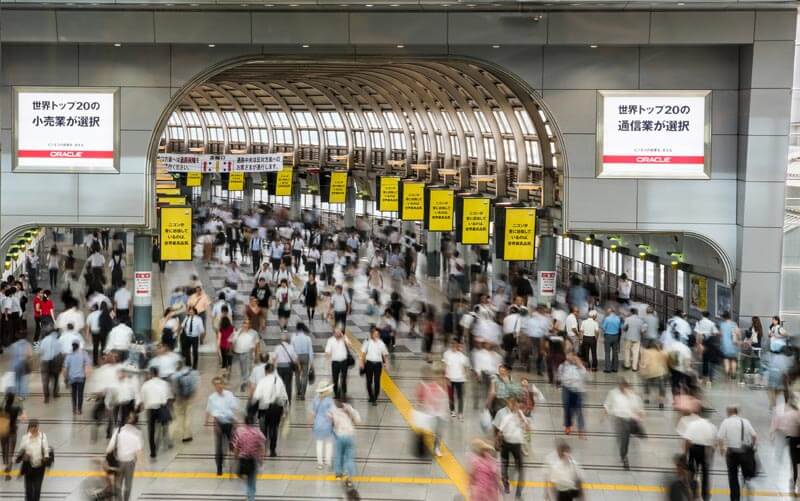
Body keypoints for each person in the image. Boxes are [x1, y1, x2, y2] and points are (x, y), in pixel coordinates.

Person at [717, 405, 758, 501]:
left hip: (732, 454)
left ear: (729, 412)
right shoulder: (745, 421)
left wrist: (722, 449)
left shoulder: (726, 422)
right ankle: (749, 493)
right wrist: (753, 447)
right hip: (745, 452)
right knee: (747, 476)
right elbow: (754, 436)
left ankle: (735, 499)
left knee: (733, 478)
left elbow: (720, 437)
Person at [603, 379, 644, 470]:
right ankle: (624, 457)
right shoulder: (613, 393)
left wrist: (640, 416)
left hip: (630, 419)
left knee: (625, 436)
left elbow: (639, 407)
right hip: (619, 419)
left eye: (624, 386)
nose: (622, 388)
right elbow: (607, 404)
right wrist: (604, 414)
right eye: (620, 386)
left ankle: (634, 431)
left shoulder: (633, 395)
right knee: (624, 439)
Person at [493, 397, 529, 499]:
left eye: (520, 406)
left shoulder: (521, 415)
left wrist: (523, 421)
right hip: (506, 444)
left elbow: (527, 428)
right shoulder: (507, 417)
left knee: (521, 470)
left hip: (517, 445)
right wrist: (496, 442)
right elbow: (500, 432)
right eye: (517, 406)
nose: (519, 408)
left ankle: (518, 492)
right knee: (504, 465)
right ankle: (506, 484)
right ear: (513, 406)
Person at [252, 363, 287, 457]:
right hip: (276, 409)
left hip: (264, 409)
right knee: (274, 429)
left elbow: (257, 396)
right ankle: (272, 450)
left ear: (265, 371)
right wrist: (285, 410)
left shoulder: (262, 381)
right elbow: (284, 396)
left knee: (263, 430)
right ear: (273, 370)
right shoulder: (279, 380)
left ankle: (263, 449)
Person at [105, 412, 143, 501]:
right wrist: (141, 464)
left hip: (119, 462)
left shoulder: (118, 431)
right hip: (130, 462)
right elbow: (139, 450)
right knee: (128, 484)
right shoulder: (137, 433)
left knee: (118, 484)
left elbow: (109, 449)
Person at [207, 377, 240, 475]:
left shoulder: (229, 395)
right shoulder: (212, 398)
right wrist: (214, 425)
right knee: (219, 448)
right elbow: (211, 412)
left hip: (229, 422)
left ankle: (237, 466)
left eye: (220, 383)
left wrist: (235, 422)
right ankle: (219, 466)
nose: (218, 386)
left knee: (234, 445)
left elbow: (234, 408)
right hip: (219, 423)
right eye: (216, 384)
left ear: (223, 384)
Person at [681, 411, 717, 501]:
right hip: (705, 450)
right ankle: (705, 496)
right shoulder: (712, 426)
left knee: (692, 473)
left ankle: (692, 494)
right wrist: (711, 456)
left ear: (699, 415)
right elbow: (714, 444)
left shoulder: (692, 424)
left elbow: (687, 440)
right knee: (705, 475)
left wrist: (685, 454)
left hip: (693, 449)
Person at [232, 414, 266, 501]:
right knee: (252, 480)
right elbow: (262, 445)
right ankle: (251, 498)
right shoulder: (257, 432)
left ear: (245, 422)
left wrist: (235, 458)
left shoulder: (240, 432)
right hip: (253, 460)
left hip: (242, 460)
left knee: (246, 478)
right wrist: (261, 458)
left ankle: (248, 496)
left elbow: (236, 447)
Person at [15, 420, 50, 501]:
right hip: (28, 467)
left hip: (40, 467)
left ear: (38, 427)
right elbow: (20, 452)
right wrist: (24, 456)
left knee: (37, 490)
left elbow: (46, 451)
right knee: (29, 491)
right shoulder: (25, 438)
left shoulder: (43, 437)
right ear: (29, 428)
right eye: (32, 428)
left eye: (35, 428)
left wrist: (45, 458)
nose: (34, 430)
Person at [140, 367, 170, 459]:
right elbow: (167, 396)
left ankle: (153, 451)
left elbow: (143, 397)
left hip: (150, 409)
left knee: (151, 431)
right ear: (158, 373)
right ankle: (164, 442)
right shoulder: (164, 384)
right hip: (161, 407)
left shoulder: (146, 384)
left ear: (151, 374)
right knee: (163, 427)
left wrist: (145, 405)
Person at [330, 397, 361, 486]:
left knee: (339, 455)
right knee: (349, 457)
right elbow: (358, 421)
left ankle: (338, 475)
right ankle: (348, 477)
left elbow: (332, 422)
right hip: (349, 436)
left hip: (339, 436)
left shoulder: (335, 410)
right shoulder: (351, 410)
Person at [557, 352, 587, 436]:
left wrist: (579, 364)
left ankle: (581, 428)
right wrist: (567, 381)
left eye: (572, 355)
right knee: (567, 408)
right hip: (566, 389)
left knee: (579, 409)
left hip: (578, 390)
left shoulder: (579, 366)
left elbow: (584, 375)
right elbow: (560, 377)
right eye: (568, 355)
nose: (570, 357)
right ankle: (568, 425)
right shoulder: (562, 366)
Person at [361, 327, 390, 406]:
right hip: (369, 364)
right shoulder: (367, 342)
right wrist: (362, 363)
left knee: (377, 382)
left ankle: (375, 398)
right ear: (371, 334)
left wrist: (386, 363)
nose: (376, 335)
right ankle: (371, 396)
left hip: (378, 365)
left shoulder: (381, 343)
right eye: (374, 334)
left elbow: (384, 354)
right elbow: (363, 353)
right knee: (369, 381)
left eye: (377, 334)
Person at [171, 362, 198, 444]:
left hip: (179, 399)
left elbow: (174, 389)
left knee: (180, 416)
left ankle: (183, 435)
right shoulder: (191, 373)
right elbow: (194, 386)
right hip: (189, 397)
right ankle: (187, 434)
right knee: (188, 415)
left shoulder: (174, 376)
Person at [442, 340, 470, 420]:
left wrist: (465, 376)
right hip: (450, 379)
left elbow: (465, 366)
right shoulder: (446, 354)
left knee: (460, 397)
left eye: (456, 344)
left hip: (460, 379)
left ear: (458, 345)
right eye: (452, 344)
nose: (454, 346)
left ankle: (460, 412)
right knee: (451, 396)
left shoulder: (461, 355)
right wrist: (446, 377)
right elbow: (445, 366)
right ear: (451, 345)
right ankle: (452, 410)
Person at [311, 381, 335, 470]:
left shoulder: (315, 400)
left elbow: (313, 413)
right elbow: (332, 414)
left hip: (317, 424)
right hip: (327, 425)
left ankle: (320, 463)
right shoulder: (329, 400)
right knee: (328, 444)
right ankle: (328, 462)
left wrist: (311, 424)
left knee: (319, 444)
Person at [62, 341, 91, 415]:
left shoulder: (69, 356)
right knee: (80, 394)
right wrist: (87, 374)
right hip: (81, 377)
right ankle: (79, 410)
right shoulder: (83, 354)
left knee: (73, 394)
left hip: (72, 377)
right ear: (78, 346)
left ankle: (74, 409)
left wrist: (65, 377)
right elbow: (88, 363)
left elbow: (65, 368)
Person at [232, 319, 259, 393]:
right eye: (244, 323)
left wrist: (257, 355)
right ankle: (246, 381)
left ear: (250, 325)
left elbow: (257, 344)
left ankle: (244, 383)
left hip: (248, 353)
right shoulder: (239, 331)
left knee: (247, 368)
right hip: (239, 353)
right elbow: (233, 340)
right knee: (243, 369)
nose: (245, 325)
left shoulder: (254, 333)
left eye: (247, 323)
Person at [639, 340, 669, 408]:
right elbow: (665, 361)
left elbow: (643, 363)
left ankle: (647, 398)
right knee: (661, 387)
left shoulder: (645, 352)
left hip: (649, 372)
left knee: (647, 385)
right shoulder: (660, 352)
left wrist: (642, 370)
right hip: (659, 372)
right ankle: (661, 401)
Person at [1, 393, 24, 481]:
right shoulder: (15, 408)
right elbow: (21, 409)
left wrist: (4, 400)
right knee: (11, 451)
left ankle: (6, 464)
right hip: (13, 431)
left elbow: (2, 404)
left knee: (4, 450)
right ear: (13, 399)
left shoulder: (2, 409)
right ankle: (8, 472)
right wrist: (18, 400)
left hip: (3, 431)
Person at [325, 328, 353, 400]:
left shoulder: (344, 338)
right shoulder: (330, 340)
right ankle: (336, 393)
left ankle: (344, 392)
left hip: (344, 361)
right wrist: (328, 355)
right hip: (335, 362)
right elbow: (327, 351)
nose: (338, 334)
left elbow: (350, 345)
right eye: (336, 332)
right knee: (335, 379)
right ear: (334, 333)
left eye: (339, 332)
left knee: (344, 378)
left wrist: (344, 338)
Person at [273, 333, 299, 404]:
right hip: (288, 368)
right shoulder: (291, 347)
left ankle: (280, 399)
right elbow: (295, 359)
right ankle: (288, 400)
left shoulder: (277, 347)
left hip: (279, 368)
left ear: (281, 339)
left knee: (280, 384)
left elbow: (274, 358)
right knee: (288, 384)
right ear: (288, 339)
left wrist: (273, 367)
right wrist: (298, 367)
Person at [38, 327, 61, 403]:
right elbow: (58, 352)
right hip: (55, 362)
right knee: (56, 379)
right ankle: (55, 393)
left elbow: (40, 352)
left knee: (45, 380)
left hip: (45, 362)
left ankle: (46, 397)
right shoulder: (56, 341)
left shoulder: (43, 341)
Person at [291, 323, 313, 400]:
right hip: (305, 357)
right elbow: (310, 351)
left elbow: (292, 350)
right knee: (304, 376)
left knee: (297, 375)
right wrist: (312, 362)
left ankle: (298, 392)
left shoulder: (294, 338)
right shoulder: (308, 338)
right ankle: (303, 394)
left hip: (297, 357)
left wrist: (293, 359)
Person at [719, 312, 740, 379]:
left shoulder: (722, 324)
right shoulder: (734, 324)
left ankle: (727, 371)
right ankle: (733, 374)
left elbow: (721, 334)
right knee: (733, 360)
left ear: (723, 317)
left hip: (725, 345)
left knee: (726, 359)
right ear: (730, 316)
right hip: (733, 345)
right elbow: (738, 334)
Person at [601, 308, 622, 373]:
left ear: (610, 312)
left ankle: (608, 369)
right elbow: (619, 327)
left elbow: (603, 327)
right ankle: (615, 368)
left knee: (607, 352)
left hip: (608, 336)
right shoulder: (618, 318)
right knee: (615, 352)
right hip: (616, 336)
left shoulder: (607, 319)